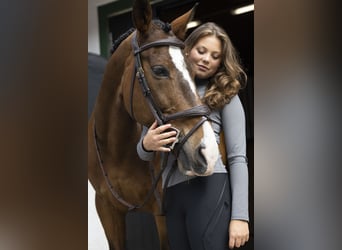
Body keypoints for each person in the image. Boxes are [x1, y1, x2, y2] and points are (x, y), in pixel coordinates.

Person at [137, 22, 249, 250]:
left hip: (210, 189)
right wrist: (146, 145)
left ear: (221, 62)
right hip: (173, 194)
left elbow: (238, 157)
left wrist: (240, 216)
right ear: (187, 50)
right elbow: (144, 152)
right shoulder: (162, 90)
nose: (206, 59)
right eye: (201, 50)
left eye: (215, 56)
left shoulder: (227, 95)